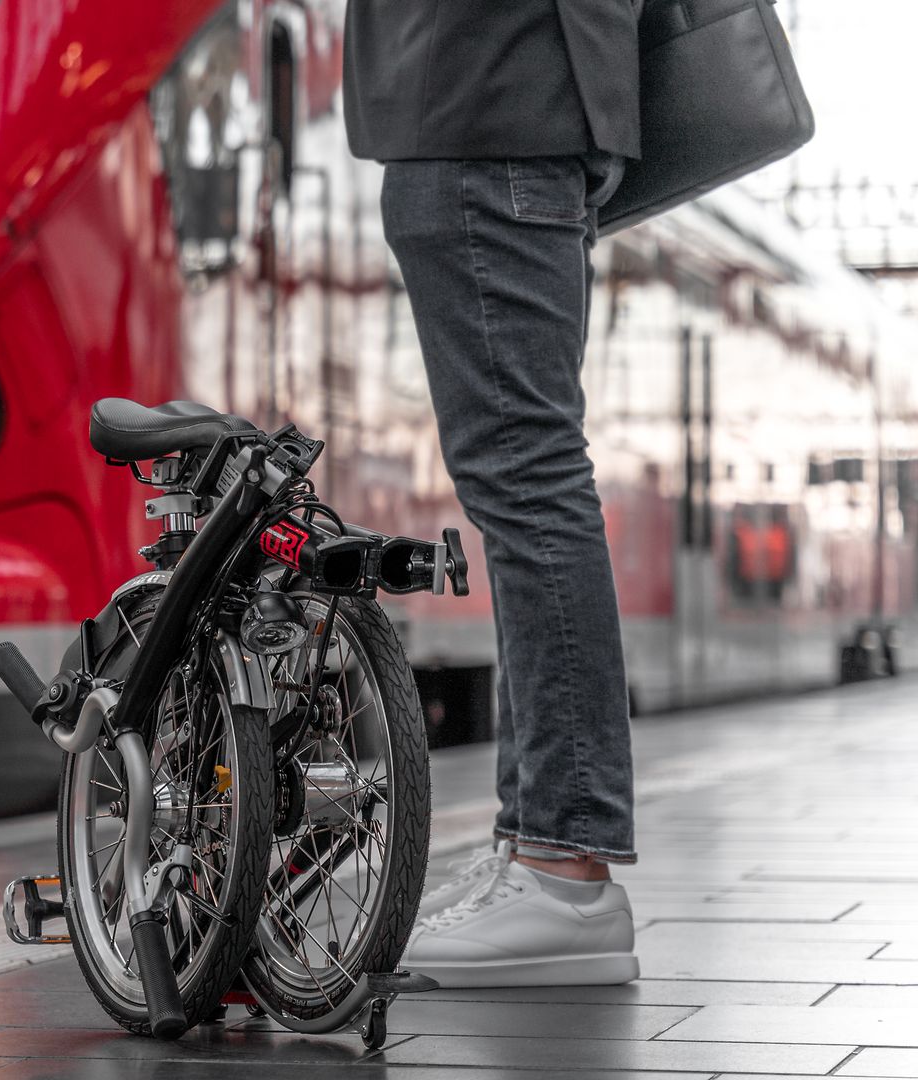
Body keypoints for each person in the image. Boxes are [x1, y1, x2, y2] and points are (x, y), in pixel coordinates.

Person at [343, 0, 643, 987]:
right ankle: (540, 851)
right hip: (504, 104)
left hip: (483, 96)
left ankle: (565, 872)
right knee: (526, 484)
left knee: (529, 481)